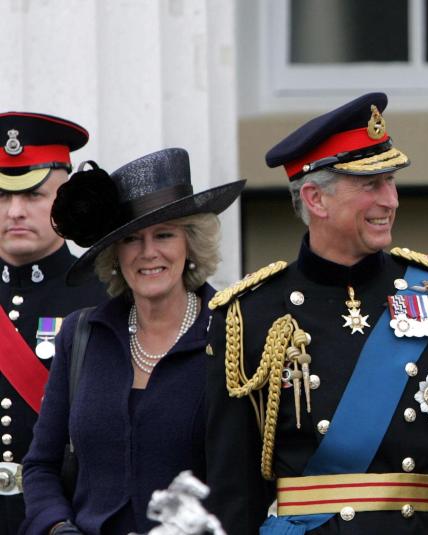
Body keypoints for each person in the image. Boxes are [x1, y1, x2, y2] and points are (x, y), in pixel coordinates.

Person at [205, 92, 428, 534]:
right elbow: (232, 489)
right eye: (371, 184)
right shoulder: (251, 314)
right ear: (316, 199)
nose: (391, 200)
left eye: (391, 181)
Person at [19, 148, 245, 534]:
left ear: (189, 243)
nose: (148, 252)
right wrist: (57, 526)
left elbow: (246, 477)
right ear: (115, 253)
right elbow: (41, 465)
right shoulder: (82, 335)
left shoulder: (230, 335)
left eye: (164, 234)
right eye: (132, 239)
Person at [0, 112, 106, 534]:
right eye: (3, 197)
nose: (15, 211)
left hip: (67, 516)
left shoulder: (105, 296)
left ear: (64, 200)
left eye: (33, 196)